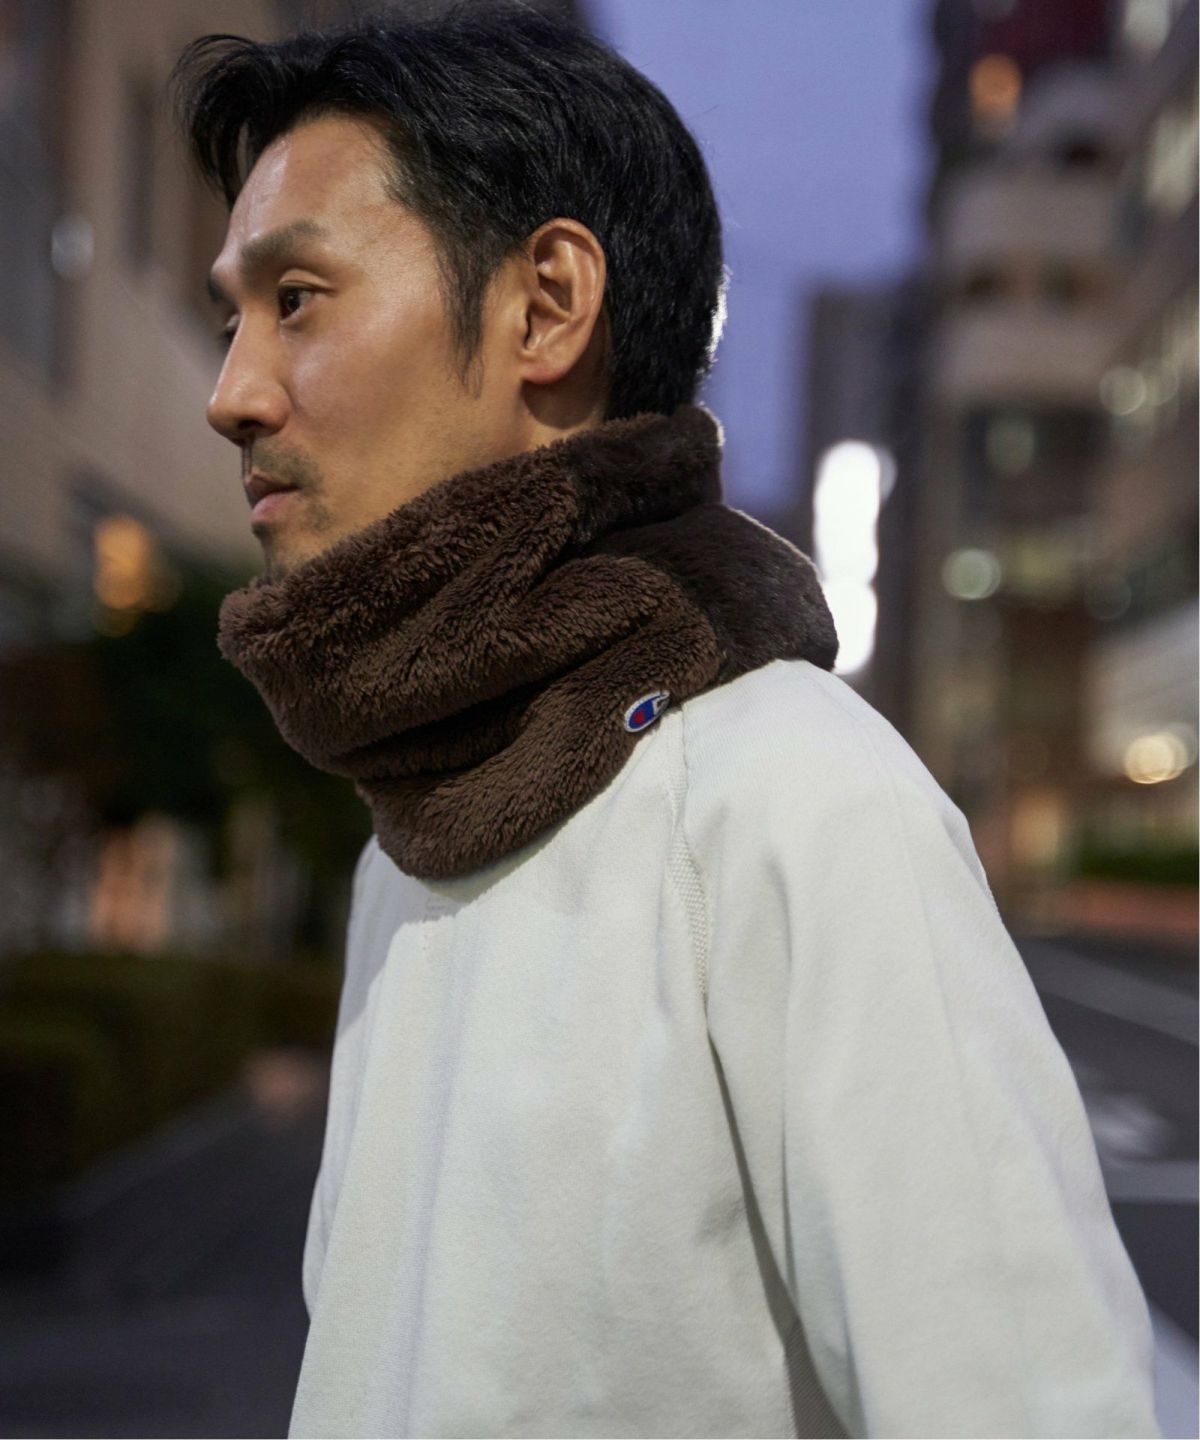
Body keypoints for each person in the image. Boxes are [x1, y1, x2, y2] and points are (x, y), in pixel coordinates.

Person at [171, 5, 1160, 1436]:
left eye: (299, 299)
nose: (232, 394)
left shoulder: (797, 800)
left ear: (546, 307)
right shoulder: (414, 828)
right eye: (232, 320)